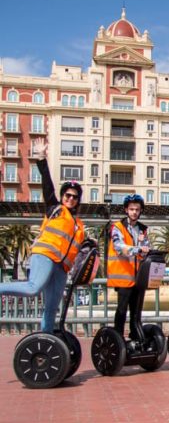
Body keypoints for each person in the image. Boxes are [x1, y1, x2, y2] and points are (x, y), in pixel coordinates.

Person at [0, 141, 85, 333]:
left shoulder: (79, 225)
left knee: (52, 308)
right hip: (45, 256)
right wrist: (41, 158)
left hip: (61, 268)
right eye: (67, 195)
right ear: (63, 197)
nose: (70, 198)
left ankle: (45, 342)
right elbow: (48, 186)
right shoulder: (55, 209)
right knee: (32, 288)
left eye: (74, 196)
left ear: (78, 200)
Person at [107, 194, 151, 338]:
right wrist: (138, 249)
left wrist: (146, 251)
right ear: (126, 210)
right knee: (121, 310)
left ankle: (135, 338)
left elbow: (145, 248)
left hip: (138, 278)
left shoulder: (143, 230)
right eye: (131, 209)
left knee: (136, 312)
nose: (134, 212)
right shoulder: (117, 227)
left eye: (137, 210)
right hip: (123, 277)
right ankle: (118, 340)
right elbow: (118, 246)